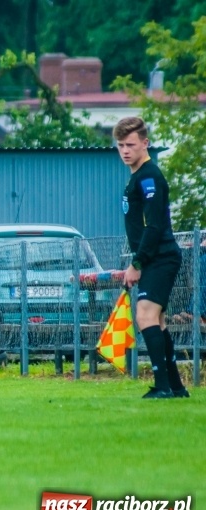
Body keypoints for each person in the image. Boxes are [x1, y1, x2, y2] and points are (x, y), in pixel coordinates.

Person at [113, 116, 188, 399]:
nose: (125, 150)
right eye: (120, 145)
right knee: (158, 320)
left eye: (131, 144)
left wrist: (138, 263)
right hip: (153, 257)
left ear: (145, 143)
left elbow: (154, 226)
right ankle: (176, 388)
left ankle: (162, 387)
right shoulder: (137, 177)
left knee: (144, 315)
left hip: (161, 256)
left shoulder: (149, 177)